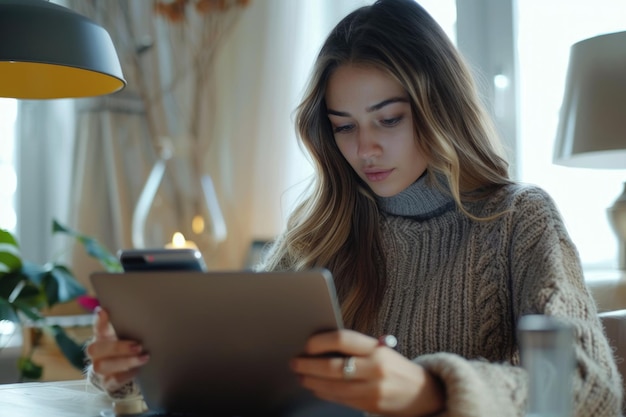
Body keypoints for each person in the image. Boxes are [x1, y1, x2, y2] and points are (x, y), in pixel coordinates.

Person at [85, 0, 623, 415]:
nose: (364, 148)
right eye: (344, 127)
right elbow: (241, 371)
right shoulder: (319, 230)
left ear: (441, 109)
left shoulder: (518, 220)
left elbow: (590, 392)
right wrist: (133, 369)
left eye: (388, 119)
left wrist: (433, 390)